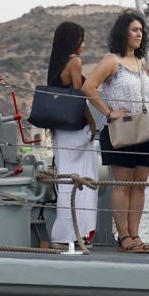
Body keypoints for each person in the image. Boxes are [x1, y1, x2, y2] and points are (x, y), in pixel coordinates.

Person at [83, 11, 149, 252]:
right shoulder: (111, 60)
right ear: (123, 32)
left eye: (141, 30)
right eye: (134, 29)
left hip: (144, 129)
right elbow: (89, 87)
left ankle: (135, 234)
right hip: (120, 129)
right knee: (123, 184)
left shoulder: (141, 62)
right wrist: (108, 111)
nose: (139, 34)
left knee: (140, 184)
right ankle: (123, 236)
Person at [44, 21, 100, 250]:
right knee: (84, 181)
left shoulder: (56, 63)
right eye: (81, 39)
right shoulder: (74, 61)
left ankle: (63, 234)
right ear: (73, 40)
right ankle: (78, 233)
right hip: (76, 130)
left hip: (60, 131)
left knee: (66, 181)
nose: (84, 45)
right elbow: (79, 97)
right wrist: (93, 122)